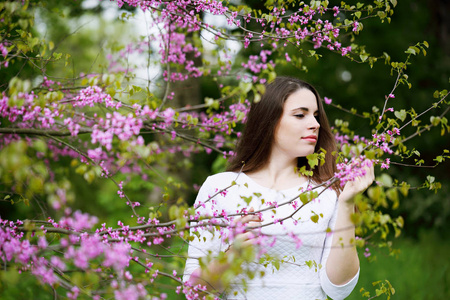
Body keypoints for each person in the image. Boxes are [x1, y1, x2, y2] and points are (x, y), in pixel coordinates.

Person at [183, 76, 374, 300]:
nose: (315, 124)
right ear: (269, 120)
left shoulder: (328, 193)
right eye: (300, 115)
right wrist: (232, 255)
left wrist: (347, 203)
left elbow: (339, 288)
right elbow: (193, 292)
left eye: (315, 115)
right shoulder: (221, 187)